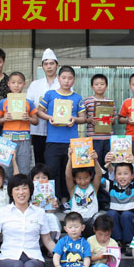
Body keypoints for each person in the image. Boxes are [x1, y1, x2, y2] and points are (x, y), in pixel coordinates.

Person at [37, 65, 87, 207]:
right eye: (64, 78)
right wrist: (50, 118)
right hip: (52, 140)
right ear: (58, 78)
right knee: (52, 170)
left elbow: (83, 118)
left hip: (71, 142)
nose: (66, 81)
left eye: (70, 78)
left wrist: (74, 119)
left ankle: (66, 200)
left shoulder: (77, 97)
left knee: (69, 171)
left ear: (74, 80)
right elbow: (39, 111)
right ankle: (52, 200)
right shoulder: (50, 94)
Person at [0, 71, 39, 178]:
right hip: (7, 139)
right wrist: (4, 119)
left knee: (24, 168)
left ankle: (23, 187)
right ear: (8, 84)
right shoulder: (3, 102)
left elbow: (36, 121)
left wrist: (28, 118)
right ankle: (6, 188)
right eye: (13, 82)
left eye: (19, 83)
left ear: (24, 84)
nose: (16, 85)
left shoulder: (28, 102)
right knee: (5, 168)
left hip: (24, 139)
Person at [102, 153, 134, 247]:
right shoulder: (112, 187)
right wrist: (107, 165)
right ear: (115, 176)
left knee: (126, 215)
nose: (122, 177)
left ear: (132, 176)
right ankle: (117, 242)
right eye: (119, 174)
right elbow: (99, 178)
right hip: (116, 215)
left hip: (130, 216)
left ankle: (129, 243)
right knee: (111, 214)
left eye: (126, 174)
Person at [26, 48, 60, 164]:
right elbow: (28, 104)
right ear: (42, 66)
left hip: (57, 130)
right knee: (40, 161)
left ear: (57, 65)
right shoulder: (35, 84)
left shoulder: (63, 84)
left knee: (55, 163)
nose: (49, 67)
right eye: (46, 64)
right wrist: (38, 110)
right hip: (38, 130)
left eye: (51, 63)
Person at [65, 148, 103, 236]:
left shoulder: (93, 187)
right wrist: (70, 159)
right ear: (74, 178)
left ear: (91, 176)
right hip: (77, 222)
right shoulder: (73, 189)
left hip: (92, 220)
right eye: (79, 178)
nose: (83, 182)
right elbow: (68, 175)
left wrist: (95, 160)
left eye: (86, 178)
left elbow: (99, 174)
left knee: (99, 217)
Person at [84, 74, 116, 163]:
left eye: (102, 84)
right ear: (92, 86)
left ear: (106, 86)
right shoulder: (87, 101)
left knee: (108, 163)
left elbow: (114, 119)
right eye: (96, 84)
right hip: (93, 138)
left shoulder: (110, 102)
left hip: (108, 138)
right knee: (95, 163)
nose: (99, 86)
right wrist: (89, 120)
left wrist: (112, 120)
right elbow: (82, 119)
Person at [30, 164, 61, 241]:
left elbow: (51, 211)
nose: (40, 180)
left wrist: (54, 206)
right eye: (37, 178)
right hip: (33, 216)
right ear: (32, 179)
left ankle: (52, 241)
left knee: (52, 218)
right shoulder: (29, 192)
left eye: (44, 177)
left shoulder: (50, 192)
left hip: (46, 214)